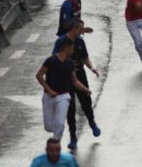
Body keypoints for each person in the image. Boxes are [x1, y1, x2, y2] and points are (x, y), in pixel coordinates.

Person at [53, 19, 101, 150]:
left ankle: (92, 123)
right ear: (73, 29)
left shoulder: (80, 42)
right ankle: (73, 137)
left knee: (86, 101)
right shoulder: (61, 42)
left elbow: (85, 58)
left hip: (80, 75)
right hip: (66, 79)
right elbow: (55, 59)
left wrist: (93, 68)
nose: (82, 32)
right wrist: (65, 64)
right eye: (80, 29)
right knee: (70, 108)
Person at [35, 37, 91, 141]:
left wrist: (85, 89)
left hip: (63, 96)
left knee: (60, 123)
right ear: (67, 48)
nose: (73, 51)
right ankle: (56, 132)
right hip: (48, 96)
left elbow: (74, 81)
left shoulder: (70, 63)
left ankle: (56, 143)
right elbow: (39, 75)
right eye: (72, 49)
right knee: (48, 127)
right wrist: (49, 90)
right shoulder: (51, 61)